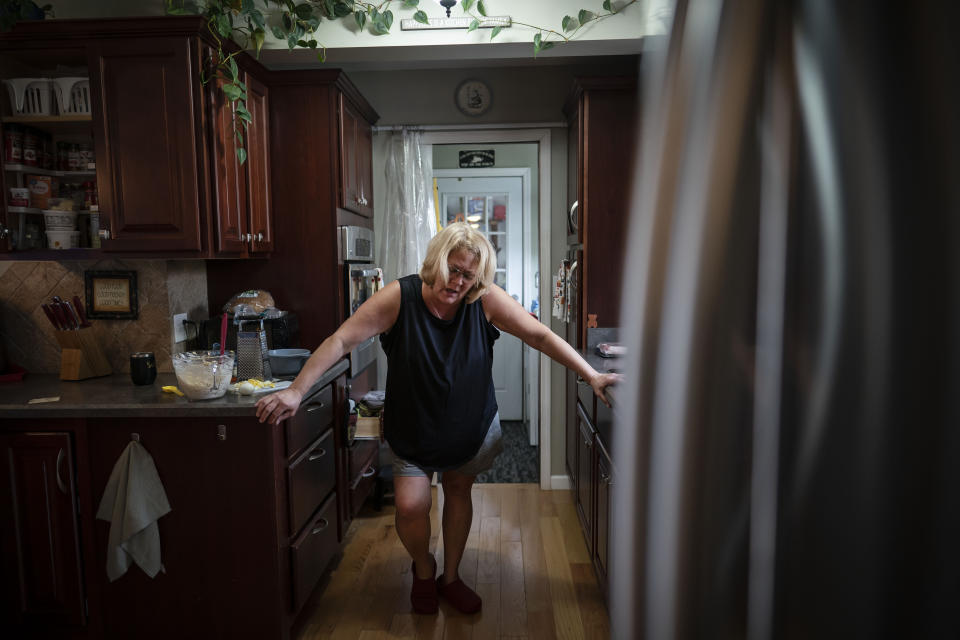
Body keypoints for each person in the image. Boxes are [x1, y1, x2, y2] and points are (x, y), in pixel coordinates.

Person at [255, 222, 618, 615]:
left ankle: (452, 577)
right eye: (454, 269)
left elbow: (540, 336)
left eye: (469, 276)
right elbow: (342, 340)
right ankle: (424, 568)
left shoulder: (484, 300)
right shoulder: (399, 296)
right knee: (411, 506)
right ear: (436, 260)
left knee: (458, 493)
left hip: (470, 426)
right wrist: (296, 390)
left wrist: (592, 374)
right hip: (413, 427)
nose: (459, 282)